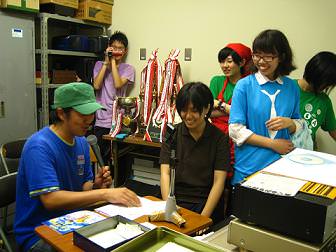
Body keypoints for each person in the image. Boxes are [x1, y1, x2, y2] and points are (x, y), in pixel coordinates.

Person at [14, 83, 140, 252]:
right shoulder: (39, 147)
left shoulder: (81, 142)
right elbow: (51, 200)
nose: (89, 120)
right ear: (61, 113)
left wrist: (95, 185)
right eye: (82, 114)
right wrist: (105, 193)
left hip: (74, 221)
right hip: (38, 233)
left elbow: (81, 187)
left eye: (92, 113)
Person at [229, 29, 302, 185]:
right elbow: (235, 130)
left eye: (268, 56)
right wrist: (272, 144)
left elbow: (300, 124)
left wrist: (290, 124)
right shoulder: (244, 86)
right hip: (249, 168)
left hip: (283, 168)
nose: (261, 61)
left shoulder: (292, 87)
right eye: (257, 55)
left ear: (281, 57)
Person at [160, 82, 230, 224]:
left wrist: (202, 219)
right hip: (176, 201)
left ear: (206, 108)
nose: (188, 116)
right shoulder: (172, 133)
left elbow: (219, 182)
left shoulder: (220, 138)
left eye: (194, 110)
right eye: (184, 110)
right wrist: (169, 208)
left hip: (205, 203)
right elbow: (165, 173)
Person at [210, 43, 252, 188]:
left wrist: (220, 105)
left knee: (233, 182)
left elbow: (247, 116)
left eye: (229, 61)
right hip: (216, 138)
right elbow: (207, 111)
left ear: (242, 62)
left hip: (238, 141)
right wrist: (232, 110)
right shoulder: (217, 81)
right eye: (222, 61)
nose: (224, 65)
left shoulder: (249, 85)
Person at [93, 31, 135, 165]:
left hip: (119, 122)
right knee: (101, 162)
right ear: (109, 47)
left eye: (120, 48)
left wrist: (113, 62)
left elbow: (117, 84)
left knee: (118, 162)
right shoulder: (99, 65)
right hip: (101, 121)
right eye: (114, 48)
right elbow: (96, 85)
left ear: (125, 51)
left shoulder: (128, 69)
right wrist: (106, 63)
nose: (117, 51)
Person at [296, 51, 336, 148]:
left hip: (307, 154)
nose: (327, 87)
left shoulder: (324, 101)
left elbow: (333, 131)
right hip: (281, 153)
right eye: (326, 83)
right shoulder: (286, 88)